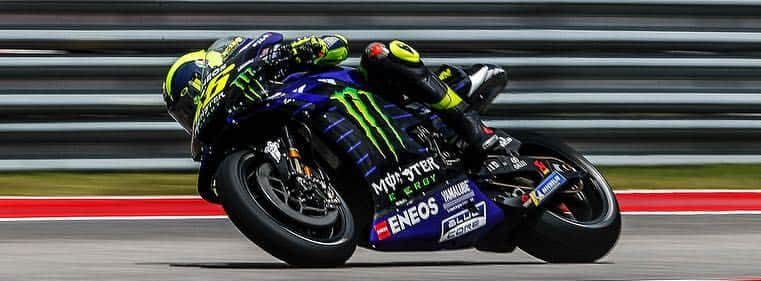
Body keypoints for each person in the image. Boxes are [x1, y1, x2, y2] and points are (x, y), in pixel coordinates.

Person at [162, 33, 508, 156]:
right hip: (360, 141)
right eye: (181, 117)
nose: (187, 117)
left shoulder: (271, 68)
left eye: (186, 107)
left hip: (379, 100)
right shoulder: (246, 130)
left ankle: (473, 127)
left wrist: (296, 51)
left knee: (379, 53)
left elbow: (337, 45)